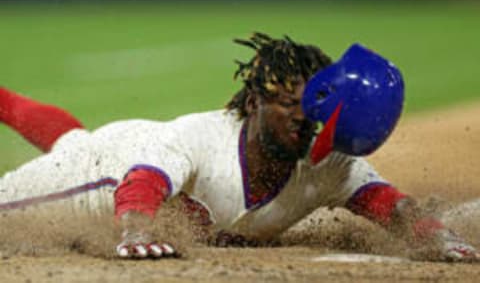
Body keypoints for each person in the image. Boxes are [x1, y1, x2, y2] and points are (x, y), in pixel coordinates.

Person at [0, 33, 477, 261]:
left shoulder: (324, 161)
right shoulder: (201, 137)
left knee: (73, 136)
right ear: (253, 102)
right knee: (53, 167)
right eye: (285, 103)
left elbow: (387, 202)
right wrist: (135, 230)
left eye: (307, 106)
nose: (299, 117)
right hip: (100, 173)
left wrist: (432, 232)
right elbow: (142, 184)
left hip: (122, 143)